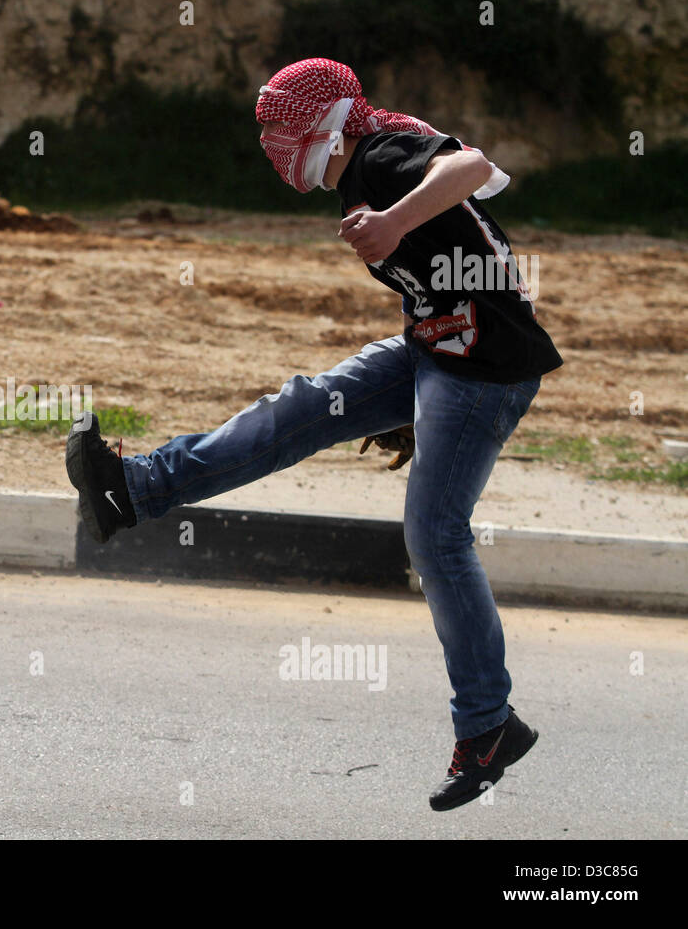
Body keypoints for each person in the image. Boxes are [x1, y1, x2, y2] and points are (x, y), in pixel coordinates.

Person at [65, 58, 563, 812]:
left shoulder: (382, 158)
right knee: (302, 411)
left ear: (324, 124)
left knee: (436, 536)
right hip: (437, 347)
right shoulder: (364, 163)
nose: (270, 143)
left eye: (278, 127)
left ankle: (488, 726)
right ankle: (133, 491)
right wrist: (408, 405)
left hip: (483, 371)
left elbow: (475, 166)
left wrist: (395, 220)